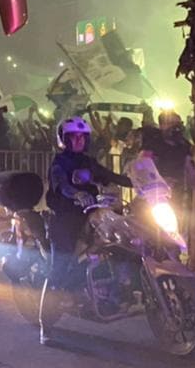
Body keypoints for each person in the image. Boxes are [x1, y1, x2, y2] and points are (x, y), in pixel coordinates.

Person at [39, 117, 131, 345]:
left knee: (121, 241)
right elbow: (62, 184)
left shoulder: (88, 162)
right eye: (74, 137)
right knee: (58, 270)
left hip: (89, 215)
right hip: (65, 219)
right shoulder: (59, 163)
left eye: (82, 137)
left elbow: (109, 176)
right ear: (64, 139)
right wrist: (76, 193)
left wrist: (136, 182)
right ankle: (45, 326)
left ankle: (115, 291)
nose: (79, 140)